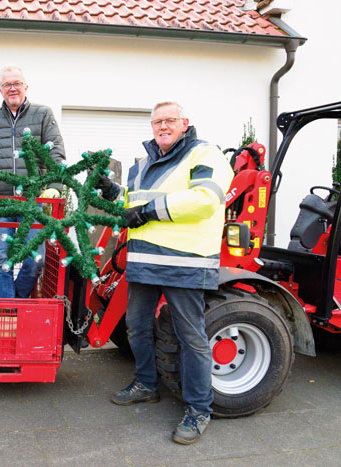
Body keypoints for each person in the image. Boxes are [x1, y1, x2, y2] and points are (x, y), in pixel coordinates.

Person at [109, 101, 233, 445]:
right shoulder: (144, 163)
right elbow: (132, 204)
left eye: (170, 120)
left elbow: (206, 199)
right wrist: (114, 194)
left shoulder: (204, 154)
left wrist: (146, 212)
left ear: (184, 123)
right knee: (136, 326)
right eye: (157, 122)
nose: (163, 126)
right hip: (145, 261)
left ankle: (198, 410)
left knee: (191, 337)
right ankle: (146, 384)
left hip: (185, 262)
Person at [0, 65, 66, 298]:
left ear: (25, 87)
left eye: (17, 83)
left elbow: (56, 152)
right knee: (3, 261)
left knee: (35, 260)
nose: (12, 88)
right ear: (0, 90)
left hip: (32, 201)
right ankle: (8, 315)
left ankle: (16, 308)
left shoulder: (42, 115)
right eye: (7, 84)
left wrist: (54, 186)